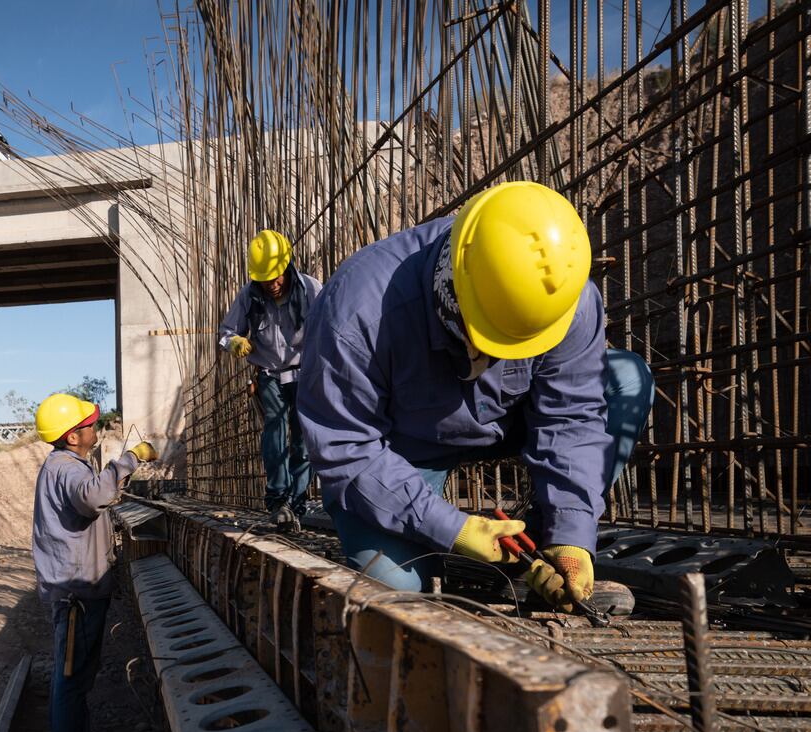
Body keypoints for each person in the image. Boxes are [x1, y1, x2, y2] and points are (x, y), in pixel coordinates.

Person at [297, 181, 654, 607]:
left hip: (509, 421)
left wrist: (572, 533)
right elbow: (348, 451)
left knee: (626, 380)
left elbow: (572, 416)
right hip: (402, 451)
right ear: (454, 285)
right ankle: (455, 555)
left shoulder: (565, 301)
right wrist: (454, 529)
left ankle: (535, 553)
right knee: (396, 592)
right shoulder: (356, 313)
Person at [31, 392, 157, 732]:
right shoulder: (65, 469)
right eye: (89, 424)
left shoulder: (68, 465)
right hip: (75, 594)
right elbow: (93, 497)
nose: (96, 429)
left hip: (79, 589)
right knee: (69, 684)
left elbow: (96, 492)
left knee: (78, 681)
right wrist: (131, 458)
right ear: (72, 436)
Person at [218, 229, 323, 532]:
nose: (272, 284)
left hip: (305, 373)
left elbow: (331, 324)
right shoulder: (249, 296)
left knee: (304, 440)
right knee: (274, 436)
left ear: (287, 266)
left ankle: (297, 502)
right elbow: (225, 332)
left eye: (276, 277)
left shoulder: (312, 290)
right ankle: (278, 501)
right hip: (269, 376)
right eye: (265, 278)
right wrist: (234, 341)